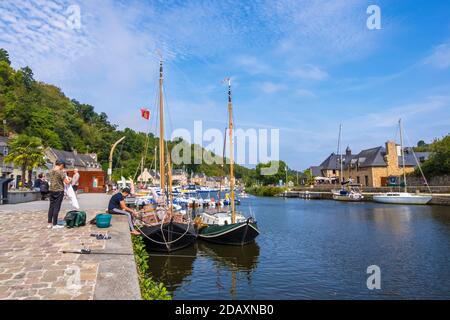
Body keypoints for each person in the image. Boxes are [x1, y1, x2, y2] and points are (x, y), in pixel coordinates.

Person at [48, 160, 71, 230]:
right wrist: (70, 179)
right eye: (63, 166)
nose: (63, 168)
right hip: (59, 191)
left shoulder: (51, 171)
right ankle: (55, 224)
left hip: (51, 190)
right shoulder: (60, 172)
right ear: (61, 165)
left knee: (51, 207)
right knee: (56, 208)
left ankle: (49, 223)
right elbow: (66, 182)